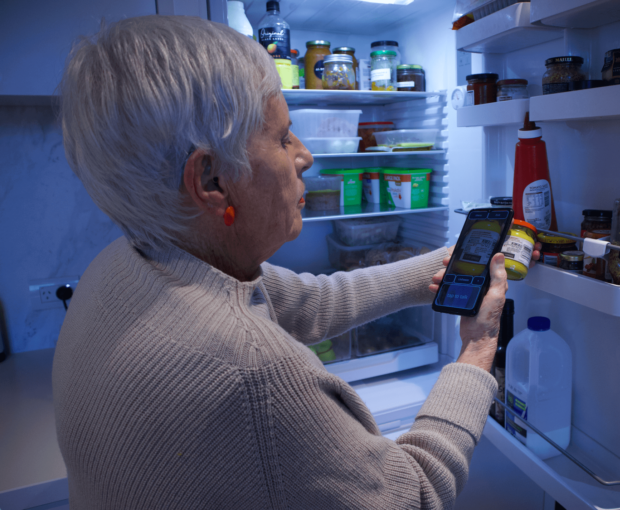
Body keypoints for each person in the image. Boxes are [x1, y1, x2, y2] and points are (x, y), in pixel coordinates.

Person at [53, 15, 539, 509]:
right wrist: (478, 351)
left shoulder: (120, 266)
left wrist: (462, 259)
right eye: (284, 137)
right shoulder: (255, 374)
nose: (305, 156)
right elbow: (412, 495)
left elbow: (312, 301)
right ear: (212, 180)